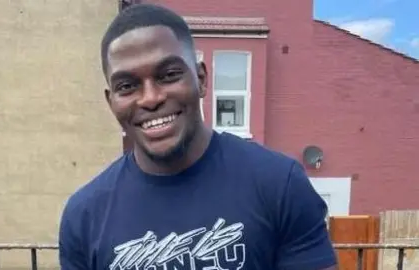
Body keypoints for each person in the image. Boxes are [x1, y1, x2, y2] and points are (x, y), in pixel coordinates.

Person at [58, 3, 338, 270]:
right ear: (111, 102)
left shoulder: (279, 185)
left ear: (201, 79)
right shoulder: (84, 216)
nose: (151, 98)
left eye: (168, 75)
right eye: (127, 86)